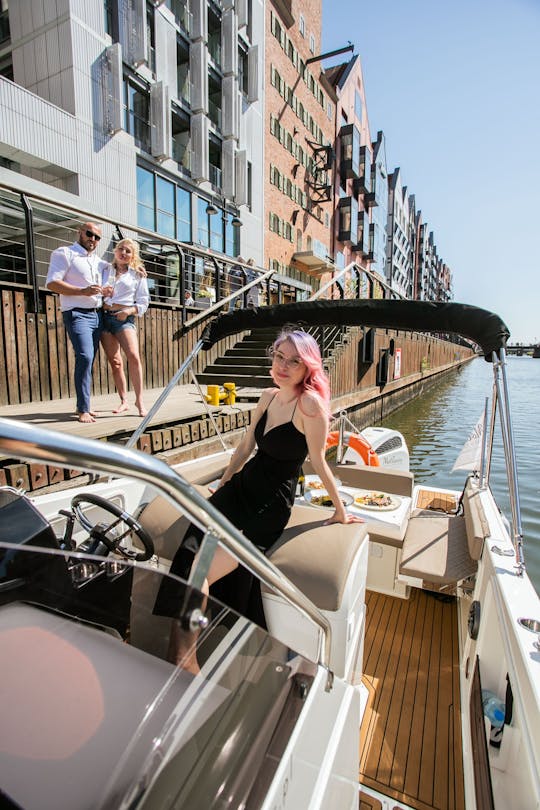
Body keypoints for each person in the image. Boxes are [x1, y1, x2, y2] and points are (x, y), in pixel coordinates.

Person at [154, 328, 364, 671]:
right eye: (279, 356)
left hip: (270, 504)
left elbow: (319, 462)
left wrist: (340, 511)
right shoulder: (267, 397)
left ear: (308, 367)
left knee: (199, 569)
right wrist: (222, 485)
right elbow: (245, 448)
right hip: (241, 487)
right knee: (192, 545)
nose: (283, 365)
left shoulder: (310, 405)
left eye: (294, 361)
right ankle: (182, 653)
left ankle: (184, 660)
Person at [46, 222, 110, 423]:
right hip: (77, 314)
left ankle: (84, 406)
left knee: (89, 361)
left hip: (97, 315)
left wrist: (137, 271)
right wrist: (82, 291)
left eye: (97, 237)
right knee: (85, 356)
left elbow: (121, 265)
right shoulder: (64, 253)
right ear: (80, 232)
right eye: (90, 234)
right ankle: (83, 409)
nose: (93, 239)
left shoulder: (98, 261)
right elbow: (52, 283)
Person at [100, 239, 150, 417]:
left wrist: (128, 310)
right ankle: (123, 401)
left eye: (128, 251)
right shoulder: (104, 268)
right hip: (104, 317)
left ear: (132, 256)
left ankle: (139, 401)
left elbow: (144, 302)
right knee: (115, 361)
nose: (124, 253)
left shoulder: (137, 275)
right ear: (115, 250)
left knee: (134, 356)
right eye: (121, 249)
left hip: (124, 318)